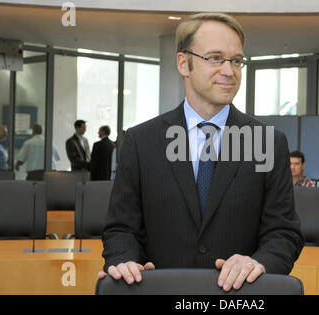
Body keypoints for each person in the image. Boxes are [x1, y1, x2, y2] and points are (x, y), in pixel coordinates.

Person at [99, 13, 304, 292]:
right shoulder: (141, 141)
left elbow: (284, 232)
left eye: (236, 60)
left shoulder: (267, 142)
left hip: (238, 296)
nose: (229, 71)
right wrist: (124, 260)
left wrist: (259, 262)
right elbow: (121, 229)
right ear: (184, 63)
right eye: (215, 58)